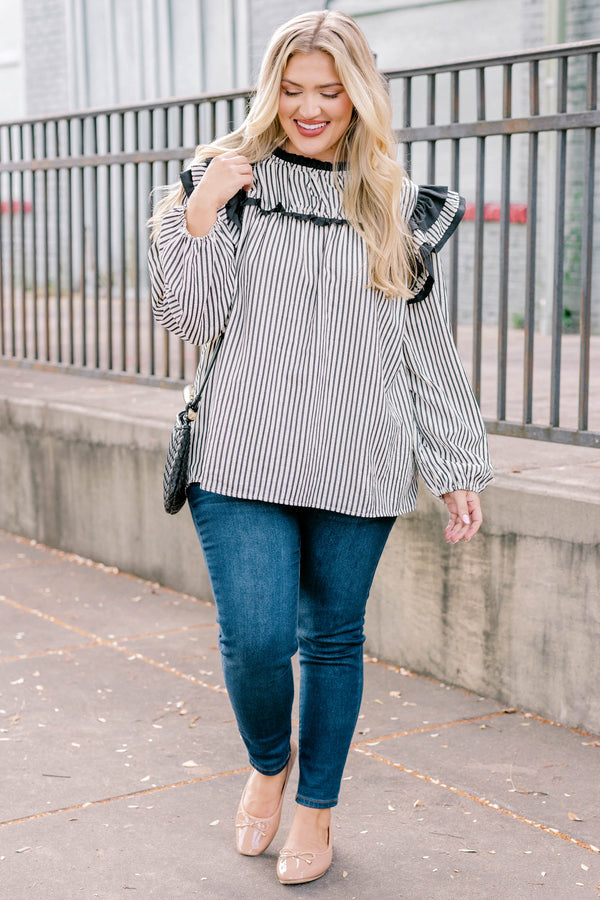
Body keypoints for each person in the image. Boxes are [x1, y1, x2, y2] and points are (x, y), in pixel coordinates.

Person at [148, 9, 492, 886]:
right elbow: (190, 321)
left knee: (333, 641)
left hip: (360, 459)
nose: (310, 107)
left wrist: (456, 464)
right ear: (272, 91)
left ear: (359, 96)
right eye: (294, 90)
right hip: (243, 454)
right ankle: (270, 766)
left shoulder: (398, 205)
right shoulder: (226, 182)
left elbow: (426, 348)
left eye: (330, 91)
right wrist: (198, 213)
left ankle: (319, 808)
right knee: (258, 639)